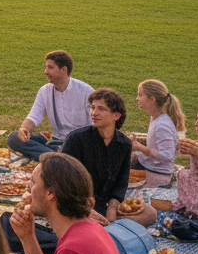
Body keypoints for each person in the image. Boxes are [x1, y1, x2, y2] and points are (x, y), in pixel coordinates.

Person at [60, 88, 152, 226]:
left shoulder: (124, 144)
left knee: (150, 214)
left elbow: (122, 180)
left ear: (116, 116)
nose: (94, 113)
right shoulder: (76, 139)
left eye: (101, 109)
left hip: (105, 205)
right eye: (92, 107)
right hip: (77, 204)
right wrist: (84, 207)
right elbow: (60, 178)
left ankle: (107, 225)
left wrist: (113, 206)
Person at [8, 51, 93, 161]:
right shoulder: (45, 90)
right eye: (46, 67)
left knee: (77, 156)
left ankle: (54, 157)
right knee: (13, 138)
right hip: (56, 142)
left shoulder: (86, 92)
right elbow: (34, 116)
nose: (45, 72)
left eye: (50, 67)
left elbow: (97, 125)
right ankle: (56, 158)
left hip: (78, 146)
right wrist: (24, 129)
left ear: (63, 70)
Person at [131, 80, 183, 188]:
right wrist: (139, 155)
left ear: (152, 99)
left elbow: (166, 156)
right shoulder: (156, 118)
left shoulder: (162, 125)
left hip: (158, 174)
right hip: (151, 166)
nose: (137, 98)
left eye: (140, 95)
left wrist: (141, 148)